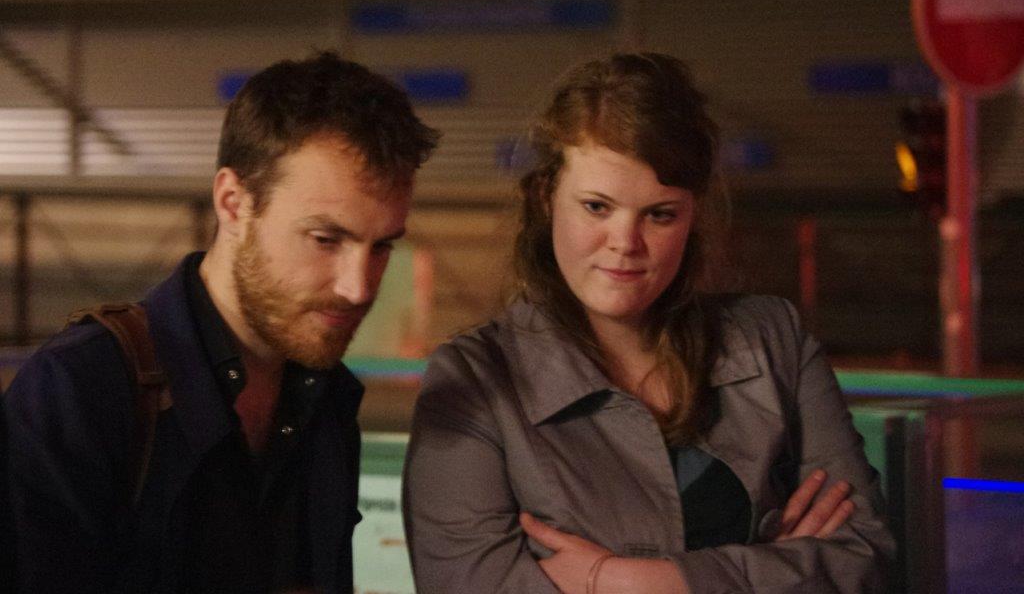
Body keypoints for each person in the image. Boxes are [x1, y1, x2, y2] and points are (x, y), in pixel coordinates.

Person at [402, 53, 894, 593]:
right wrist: (774, 570)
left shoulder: (772, 340)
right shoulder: (476, 379)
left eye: (660, 214)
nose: (625, 244)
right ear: (546, 198)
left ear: (692, 215)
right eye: (597, 207)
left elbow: (864, 561)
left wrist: (631, 580)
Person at [4, 52, 438, 594]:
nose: (359, 287)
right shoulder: (78, 390)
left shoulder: (325, 399)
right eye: (326, 239)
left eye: (382, 247)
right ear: (233, 203)